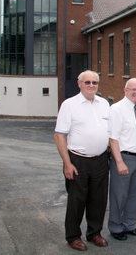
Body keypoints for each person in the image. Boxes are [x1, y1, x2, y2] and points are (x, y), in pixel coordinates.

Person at [54, 70, 110, 251]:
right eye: (88, 82)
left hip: (101, 159)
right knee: (76, 200)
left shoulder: (104, 104)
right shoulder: (69, 105)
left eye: (95, 82)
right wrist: (67, 163)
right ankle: (73, 236)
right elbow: (60, 135)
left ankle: (94, 233)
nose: (91, 85)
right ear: (79, 84)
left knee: (99, 199)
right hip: (78, 160)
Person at [108, 78, 136, 241]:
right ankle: (116, 227)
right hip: (123, 158)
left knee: (135, 195)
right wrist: (119, 162)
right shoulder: (117, 109)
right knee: (119, 195)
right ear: (125, 90)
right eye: (134, 89)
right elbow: (113, 139)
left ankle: (130, 225)